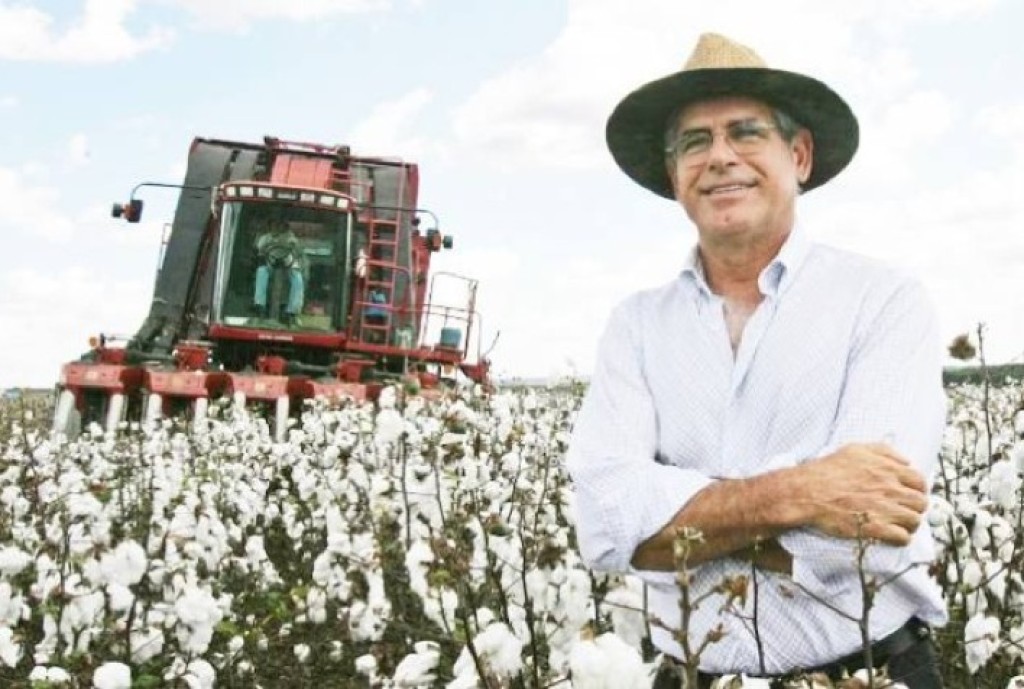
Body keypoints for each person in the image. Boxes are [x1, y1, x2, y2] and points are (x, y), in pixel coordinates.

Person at [565, 33, 947, 688]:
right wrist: (799, 491)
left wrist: (672, 524)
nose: (719, 157)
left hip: (867, 671)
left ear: (798, 155)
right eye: (694, 141)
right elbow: (604, 525)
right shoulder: (635, 326)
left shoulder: (883, 300)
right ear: (673, 174)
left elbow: (866, 528)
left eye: (745, 132)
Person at [252, 215, 305, 325]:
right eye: (274, 224)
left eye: (280, 225)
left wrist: (291, 246)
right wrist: (266, 248)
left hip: (288, 265)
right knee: (261, 272)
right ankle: (259, 305)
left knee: (298, 279)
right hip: (270, 264)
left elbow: (297, 249)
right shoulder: (265, 238)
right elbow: (258, 249)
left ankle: (292, 311)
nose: (277, 227)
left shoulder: (289, 237)